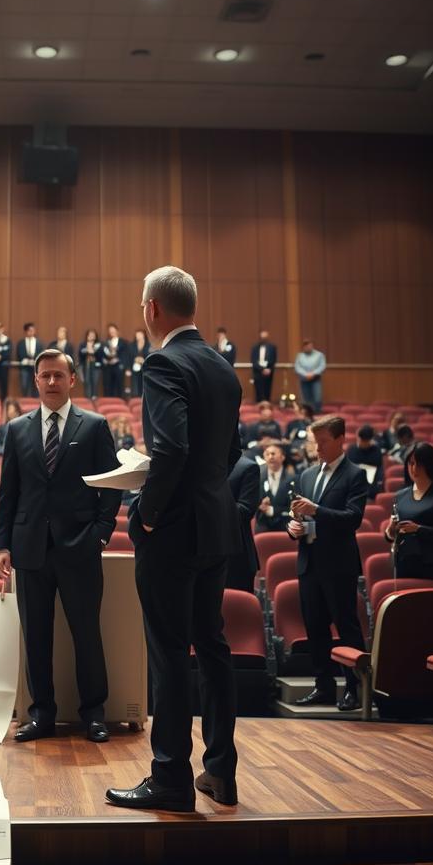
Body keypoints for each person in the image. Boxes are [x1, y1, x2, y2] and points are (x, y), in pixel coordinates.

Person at [106, 265, 243, 812]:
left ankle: (169, 780)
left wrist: (147, 513)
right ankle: (221, 774)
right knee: (212, 648)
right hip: (216, 525)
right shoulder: (222, 368)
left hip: (174, 531)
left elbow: (173, 449)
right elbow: (230, 453)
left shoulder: (163, 362)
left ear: (152, 309)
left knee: (167, 652)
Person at [0, 348, 119, 744]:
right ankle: (41, 714)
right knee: (36, 638)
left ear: (72, 380)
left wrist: (101, 533)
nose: (51, 382)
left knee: (87, 634)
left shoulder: (95, 426)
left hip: (80, 548)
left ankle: (94, 714)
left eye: (58, 375)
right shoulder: (16, 429)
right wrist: (2, 545)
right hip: (29, 549)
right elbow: (8, 492)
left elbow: (112, 486)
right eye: (44, 375)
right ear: (35, 380)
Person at [287, 416, 367, 712]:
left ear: (339, 439)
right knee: (315, 628)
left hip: (338, 564)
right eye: (315, 441)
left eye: (322, 442)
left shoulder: (355, 475)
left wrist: (317, 510)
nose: (316, 447)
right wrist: (292, 527)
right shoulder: (307, 475)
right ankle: (323, 686)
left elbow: (353, 518)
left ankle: (355, 688)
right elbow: (298, 516)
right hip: (308, 562)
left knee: (346, 626)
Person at [384, 442, 433, 584]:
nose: (414, 468)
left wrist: (418, 529)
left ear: (430, 465)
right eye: (411, 463)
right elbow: (391, 535)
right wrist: (389, 531)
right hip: (404, 563)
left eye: (419, 464)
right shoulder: (400, 495)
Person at [226, 453, 260, 593]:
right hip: (202, 555)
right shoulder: (200, 463)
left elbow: (245, 510)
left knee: (237, 610)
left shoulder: (246, 467)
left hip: (236, 556)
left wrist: (210, 504)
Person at [255, 442, 294, 533]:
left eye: (273, 453)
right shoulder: (257, 477)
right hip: (262, 524)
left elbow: (294, 508)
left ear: (282, 457)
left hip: (285, 525)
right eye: (267, 454)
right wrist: (259, 504)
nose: (270, 457)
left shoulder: (292, 479)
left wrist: (273, 510)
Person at [346, 424, 383, 496]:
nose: (361, 443)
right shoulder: (352, 449)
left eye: (365, 441)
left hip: (371, 482)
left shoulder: (376, 450)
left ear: (370, 440)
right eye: (360, 440)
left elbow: (379, 469)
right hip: (354, 481)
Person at [293, 338, 326, 412]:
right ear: (303, 347)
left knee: (317, 397)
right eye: (306, 346)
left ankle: (317, 412)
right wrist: (306, 374)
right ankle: (308, 413)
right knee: (306, 398)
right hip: (304, 379)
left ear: (312, 345)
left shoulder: (319, 355)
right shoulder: (299, 356)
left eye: (309, 346)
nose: (308, 347)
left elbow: (322, 366)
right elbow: (297, 367)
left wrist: (313, 374)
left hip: (315, 378)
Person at [250, 329, 277, 403]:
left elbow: (274, 360)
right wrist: (262, 369)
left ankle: (267, 406)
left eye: (265, 338)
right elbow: (253, 360)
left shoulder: (272, 348)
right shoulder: (254, 348)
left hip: (268, 372)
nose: (263, 339)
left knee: (267, 389)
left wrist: (269, 369)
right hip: (258, 372)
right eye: (262, 338)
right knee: (259, 390)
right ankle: (259, 405)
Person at [16, 323, 40, 397]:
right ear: (26, 331)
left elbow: (41, 354)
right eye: (29, 330)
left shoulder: (39, 343)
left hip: (35, 368)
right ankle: (25, 402)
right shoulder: (21, 343)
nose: (31, 332)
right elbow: (19, 354)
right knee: (24, 386)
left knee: (36, 387)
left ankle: (35, 404)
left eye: (33, 330)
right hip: (25, 368)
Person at [77, 329, 102, 401]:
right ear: (87, 336)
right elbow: (80, 354)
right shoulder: (83, 344)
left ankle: (94, 396)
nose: (91, 336)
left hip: (96, 365)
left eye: (93, 335)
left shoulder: (99, 344)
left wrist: (93, 350)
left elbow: (100, 355)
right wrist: (87, 350)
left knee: (95, 380)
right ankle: (87, 397)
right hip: (86, 365)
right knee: (87, 381)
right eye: (90, 335)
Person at [101, 323, 124, 398]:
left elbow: (125, 355)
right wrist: (105, 360)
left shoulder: (123, 342)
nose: (112, 332)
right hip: (108, 367)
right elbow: (103, 354)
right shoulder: (106, 343)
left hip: (118, 367)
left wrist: (118, 360)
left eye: (113, 330)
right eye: (110, 331)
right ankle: (108, 402)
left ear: (117, 331)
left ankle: (120, 402)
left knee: (119, 386)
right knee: (108, 386)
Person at [127, 328, 150, 398]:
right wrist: (135, 360)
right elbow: (128, 357)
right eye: (137, 334)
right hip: (134, 367)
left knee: (143, 384)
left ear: (143, 335)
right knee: (134, 384)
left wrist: (143, 360)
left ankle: (142, 397)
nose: (138, 336)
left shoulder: (148, 345)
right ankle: (135, 397)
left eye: (140, 334)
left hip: (145, 368)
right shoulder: (131, 345)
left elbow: (151, 355)